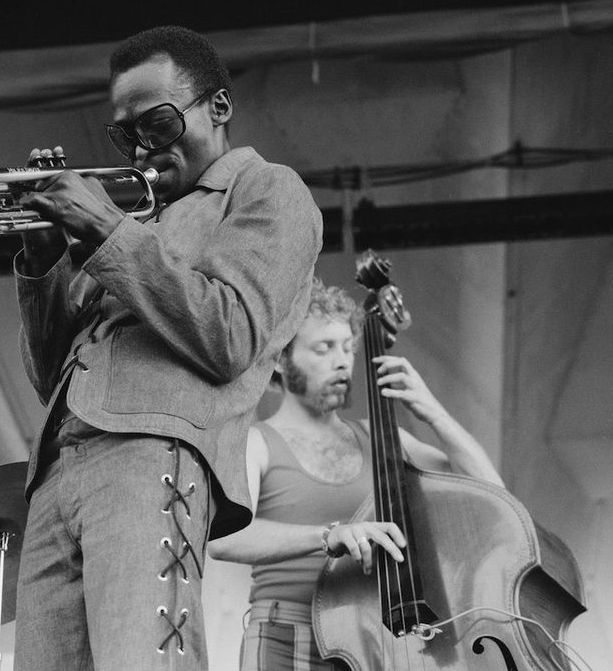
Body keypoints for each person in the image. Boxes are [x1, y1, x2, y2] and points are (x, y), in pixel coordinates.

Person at [11, 25, 323, 671]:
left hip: (151, 452)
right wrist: (44, 262)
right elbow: (54, 378)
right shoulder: (143, 223)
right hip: (56, 470)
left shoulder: (267, 189)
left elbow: (230, 332)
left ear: (218, 106)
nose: (142, 147)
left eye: (157, 122)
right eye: (125, 135)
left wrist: (104, 226)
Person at [206, 278, 504, 670]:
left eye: (348, 347)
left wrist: (435, 413)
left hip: (374, 636)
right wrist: (330, 535)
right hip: (287, 635)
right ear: (280, 358)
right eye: (324, 348)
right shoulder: (256, 442)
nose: (343, 360)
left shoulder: (381, 438)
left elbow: (491, 495)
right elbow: (225, 539)